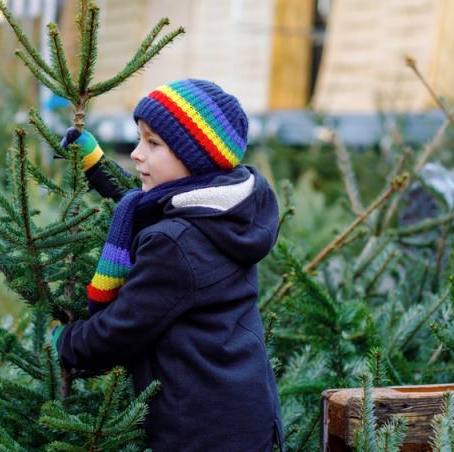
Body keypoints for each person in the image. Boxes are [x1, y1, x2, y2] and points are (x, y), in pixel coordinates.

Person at [52, 79, 284, 451]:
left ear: (196, 160)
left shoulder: (174, 245)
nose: (138, 153)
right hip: (240, 410)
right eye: (140, 138)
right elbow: (146, 200)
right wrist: (95, 165)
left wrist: (64, 342)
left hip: (201, 429)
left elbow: (120, 329)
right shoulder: (221, 211)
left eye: (153, 143)